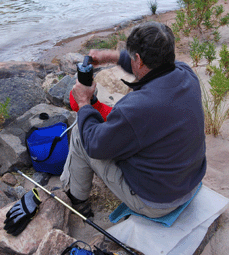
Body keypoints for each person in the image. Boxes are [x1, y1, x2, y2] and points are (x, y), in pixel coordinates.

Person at [61, 21, 206, 219]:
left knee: (81, 132)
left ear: (137, 59)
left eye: (131, 56)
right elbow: (152, 67)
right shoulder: (186, 74)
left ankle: (76, 199)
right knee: (113, 127)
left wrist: (84, 102)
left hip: (157, 202)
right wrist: (110, 57)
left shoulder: (137, 107)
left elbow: (94, 145)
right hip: (190, 182)